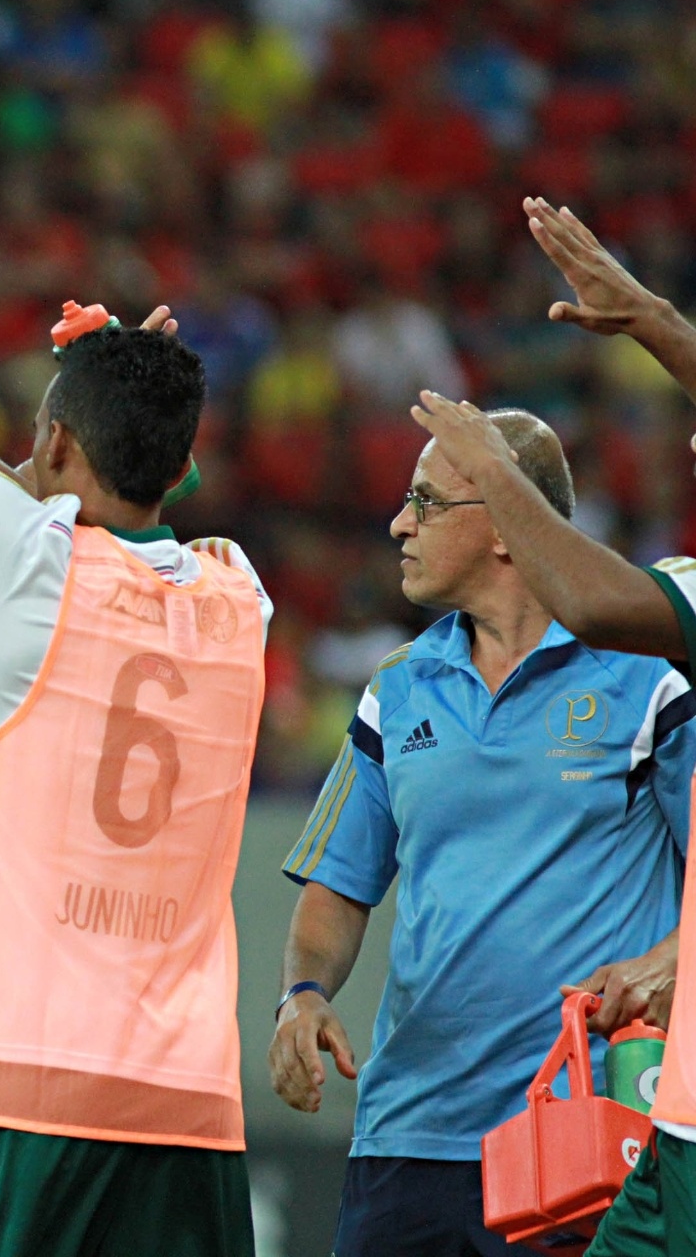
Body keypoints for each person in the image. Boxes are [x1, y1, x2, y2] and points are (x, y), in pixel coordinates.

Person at [0, 42, 273, 1256]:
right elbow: (114, 491)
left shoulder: (29, 565)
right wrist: (120, 404)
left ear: (62, 452)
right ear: (183, 465)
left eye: (41, 439)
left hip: (17, 1086)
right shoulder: (243, 598)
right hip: (188, 1109)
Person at [271, 297, 692, 1253]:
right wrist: (303, 995)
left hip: (588, 1131)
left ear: (508, 524)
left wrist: (670, 965)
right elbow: (337, 892)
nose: (396, 523)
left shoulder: (652, 680)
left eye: (425, 502)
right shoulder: (396, 689)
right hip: (409, 1142)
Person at [409, 197, 696, 1257]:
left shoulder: (665, 636)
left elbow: (593, 601)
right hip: (669, 1118)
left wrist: (488, 470)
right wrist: (657, 321)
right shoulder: (403, 683)